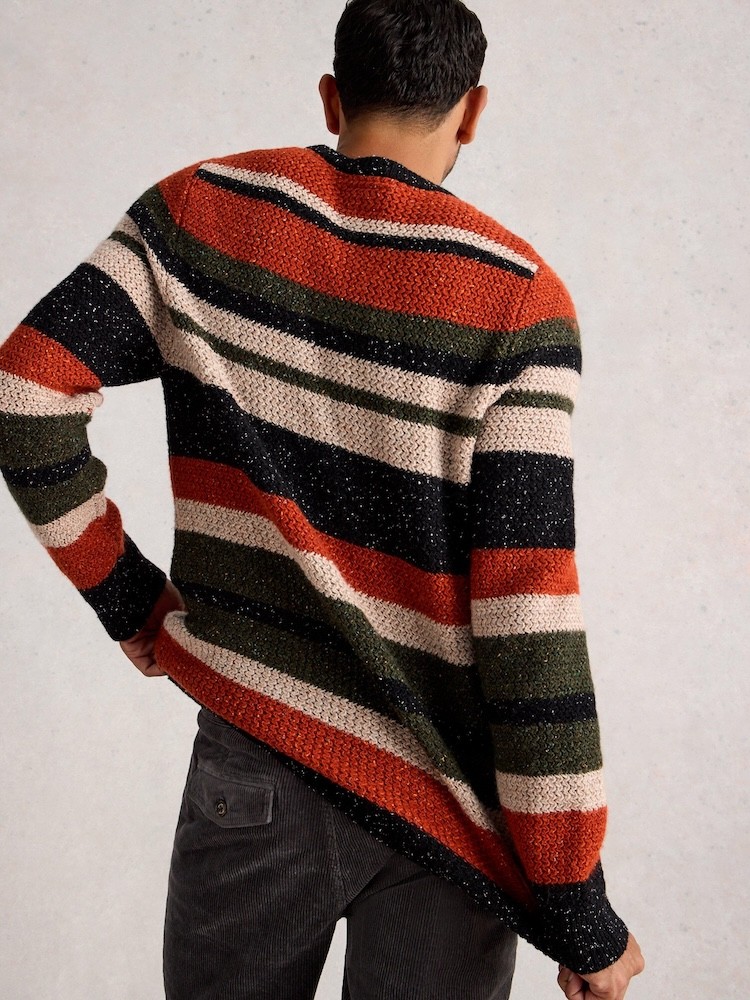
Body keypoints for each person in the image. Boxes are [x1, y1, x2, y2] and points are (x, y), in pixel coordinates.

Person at [0, 1, 645, 997]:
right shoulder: (520, 303)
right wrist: (574, 900)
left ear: (332, 96)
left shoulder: (194, 214)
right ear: (473, 112)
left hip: (254, 765)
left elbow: (24, 394)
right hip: (452, 814)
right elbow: (528, 614)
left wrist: (129, 599)